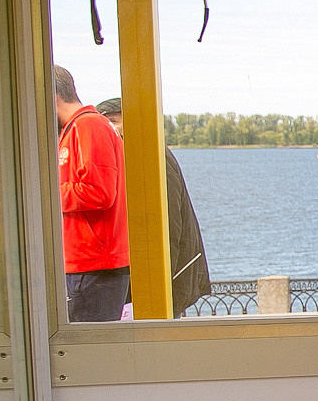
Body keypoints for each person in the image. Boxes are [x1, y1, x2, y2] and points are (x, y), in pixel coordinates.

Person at [95, 98, 211, 318]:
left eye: (113, 121)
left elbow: (168, 226)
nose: (109, 130)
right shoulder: (138, 155)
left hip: (166, 286)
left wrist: (157, 288)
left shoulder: (153, 157)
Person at [54, 67, 131, 323]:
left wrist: (44, 194)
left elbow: (99, 192)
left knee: (88, 354)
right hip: (86, 264)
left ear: (52, 97)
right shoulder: (77, 127)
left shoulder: (88, 125)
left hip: (95, 266)